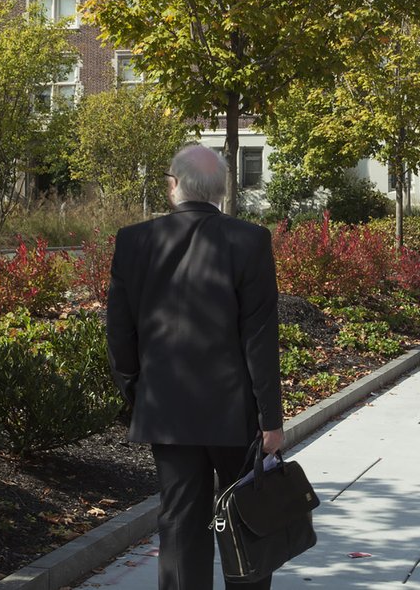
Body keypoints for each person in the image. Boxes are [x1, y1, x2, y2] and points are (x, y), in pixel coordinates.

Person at [106, 144, 283, 590]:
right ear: (220, 192)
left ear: (174, 186)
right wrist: (272, 419)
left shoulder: (133, 240)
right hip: (235, 410)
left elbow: (119, 335)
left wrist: (137, 392)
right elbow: (260, 338)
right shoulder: (250, 240)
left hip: (167, 407)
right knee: (248, 522)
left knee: (181, 525)